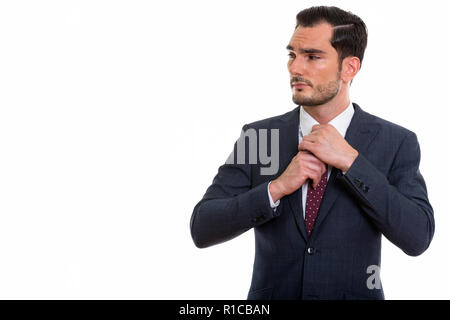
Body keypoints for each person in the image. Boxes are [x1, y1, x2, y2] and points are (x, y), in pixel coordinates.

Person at [190, 6, 434, 300]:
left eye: (313, 56)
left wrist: (351, 162)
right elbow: (203, 227)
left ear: (350, 68)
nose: (296, 68)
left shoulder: (396, 142)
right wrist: (276, 188)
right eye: (292, 55)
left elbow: (418, 236)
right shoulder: (260, 137)